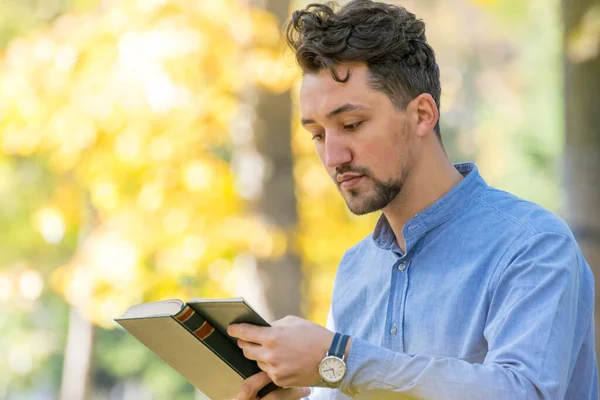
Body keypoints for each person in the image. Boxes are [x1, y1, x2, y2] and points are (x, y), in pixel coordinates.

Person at [227, 0, 598, 399]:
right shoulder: (356, 271)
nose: (333, 158)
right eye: (318, 135)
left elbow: (525, 392)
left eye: (351, 125)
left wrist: (340, 358)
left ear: (422, 114)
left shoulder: (533, 246)